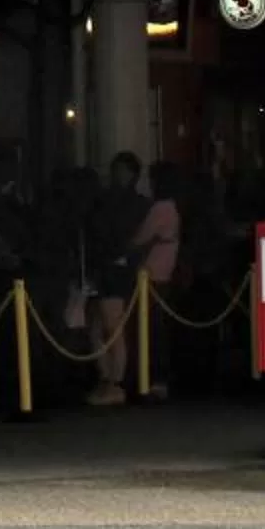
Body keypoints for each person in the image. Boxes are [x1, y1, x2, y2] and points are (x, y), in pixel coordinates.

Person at [84, 151, 152, 406]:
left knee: (112, 326)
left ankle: (115, 381)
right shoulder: (110, 202)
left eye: (122, 171)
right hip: (107, 268)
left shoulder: (127, 205)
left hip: (116, 269)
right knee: (99, 327)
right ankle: (108, 378)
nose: (117, 176)